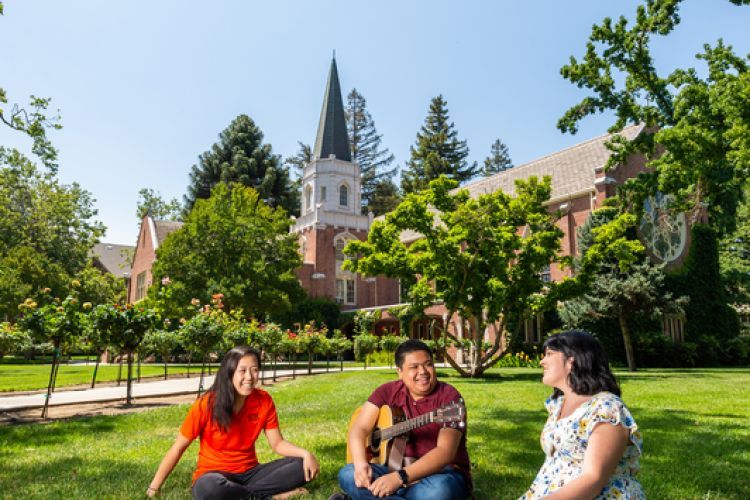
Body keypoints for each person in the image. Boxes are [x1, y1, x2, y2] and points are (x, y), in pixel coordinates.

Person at [147, 345, 319, 499]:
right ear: (229, 372)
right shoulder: (206, 404)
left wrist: (305, 454)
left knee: (300, 466)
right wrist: (154, 488)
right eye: (242, 371)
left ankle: (243, 494)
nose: (250, 377)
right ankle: (268, 497)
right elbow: (178, 447)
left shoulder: (263, 400)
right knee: (209, 489)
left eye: (254, 370)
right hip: (214, 475)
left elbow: (278, 443)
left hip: (251, 472)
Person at [333, 339, 471, 500]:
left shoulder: (449, 398)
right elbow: (359, 429)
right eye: (414, 367)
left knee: (439, 492)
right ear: (400, 371)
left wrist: (399, 478)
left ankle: (370, 496)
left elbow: (445, 452)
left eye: (428, 364)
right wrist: (360, 464)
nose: (423, 372)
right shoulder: (387, 391)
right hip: (391, 469)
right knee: (347, 474)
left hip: (439, 474)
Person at [522, 330, 645, 499]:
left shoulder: (606, 409)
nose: (542, 361)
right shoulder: (557, 404)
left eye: (549, 354)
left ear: (572, 360)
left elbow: (593, 479)